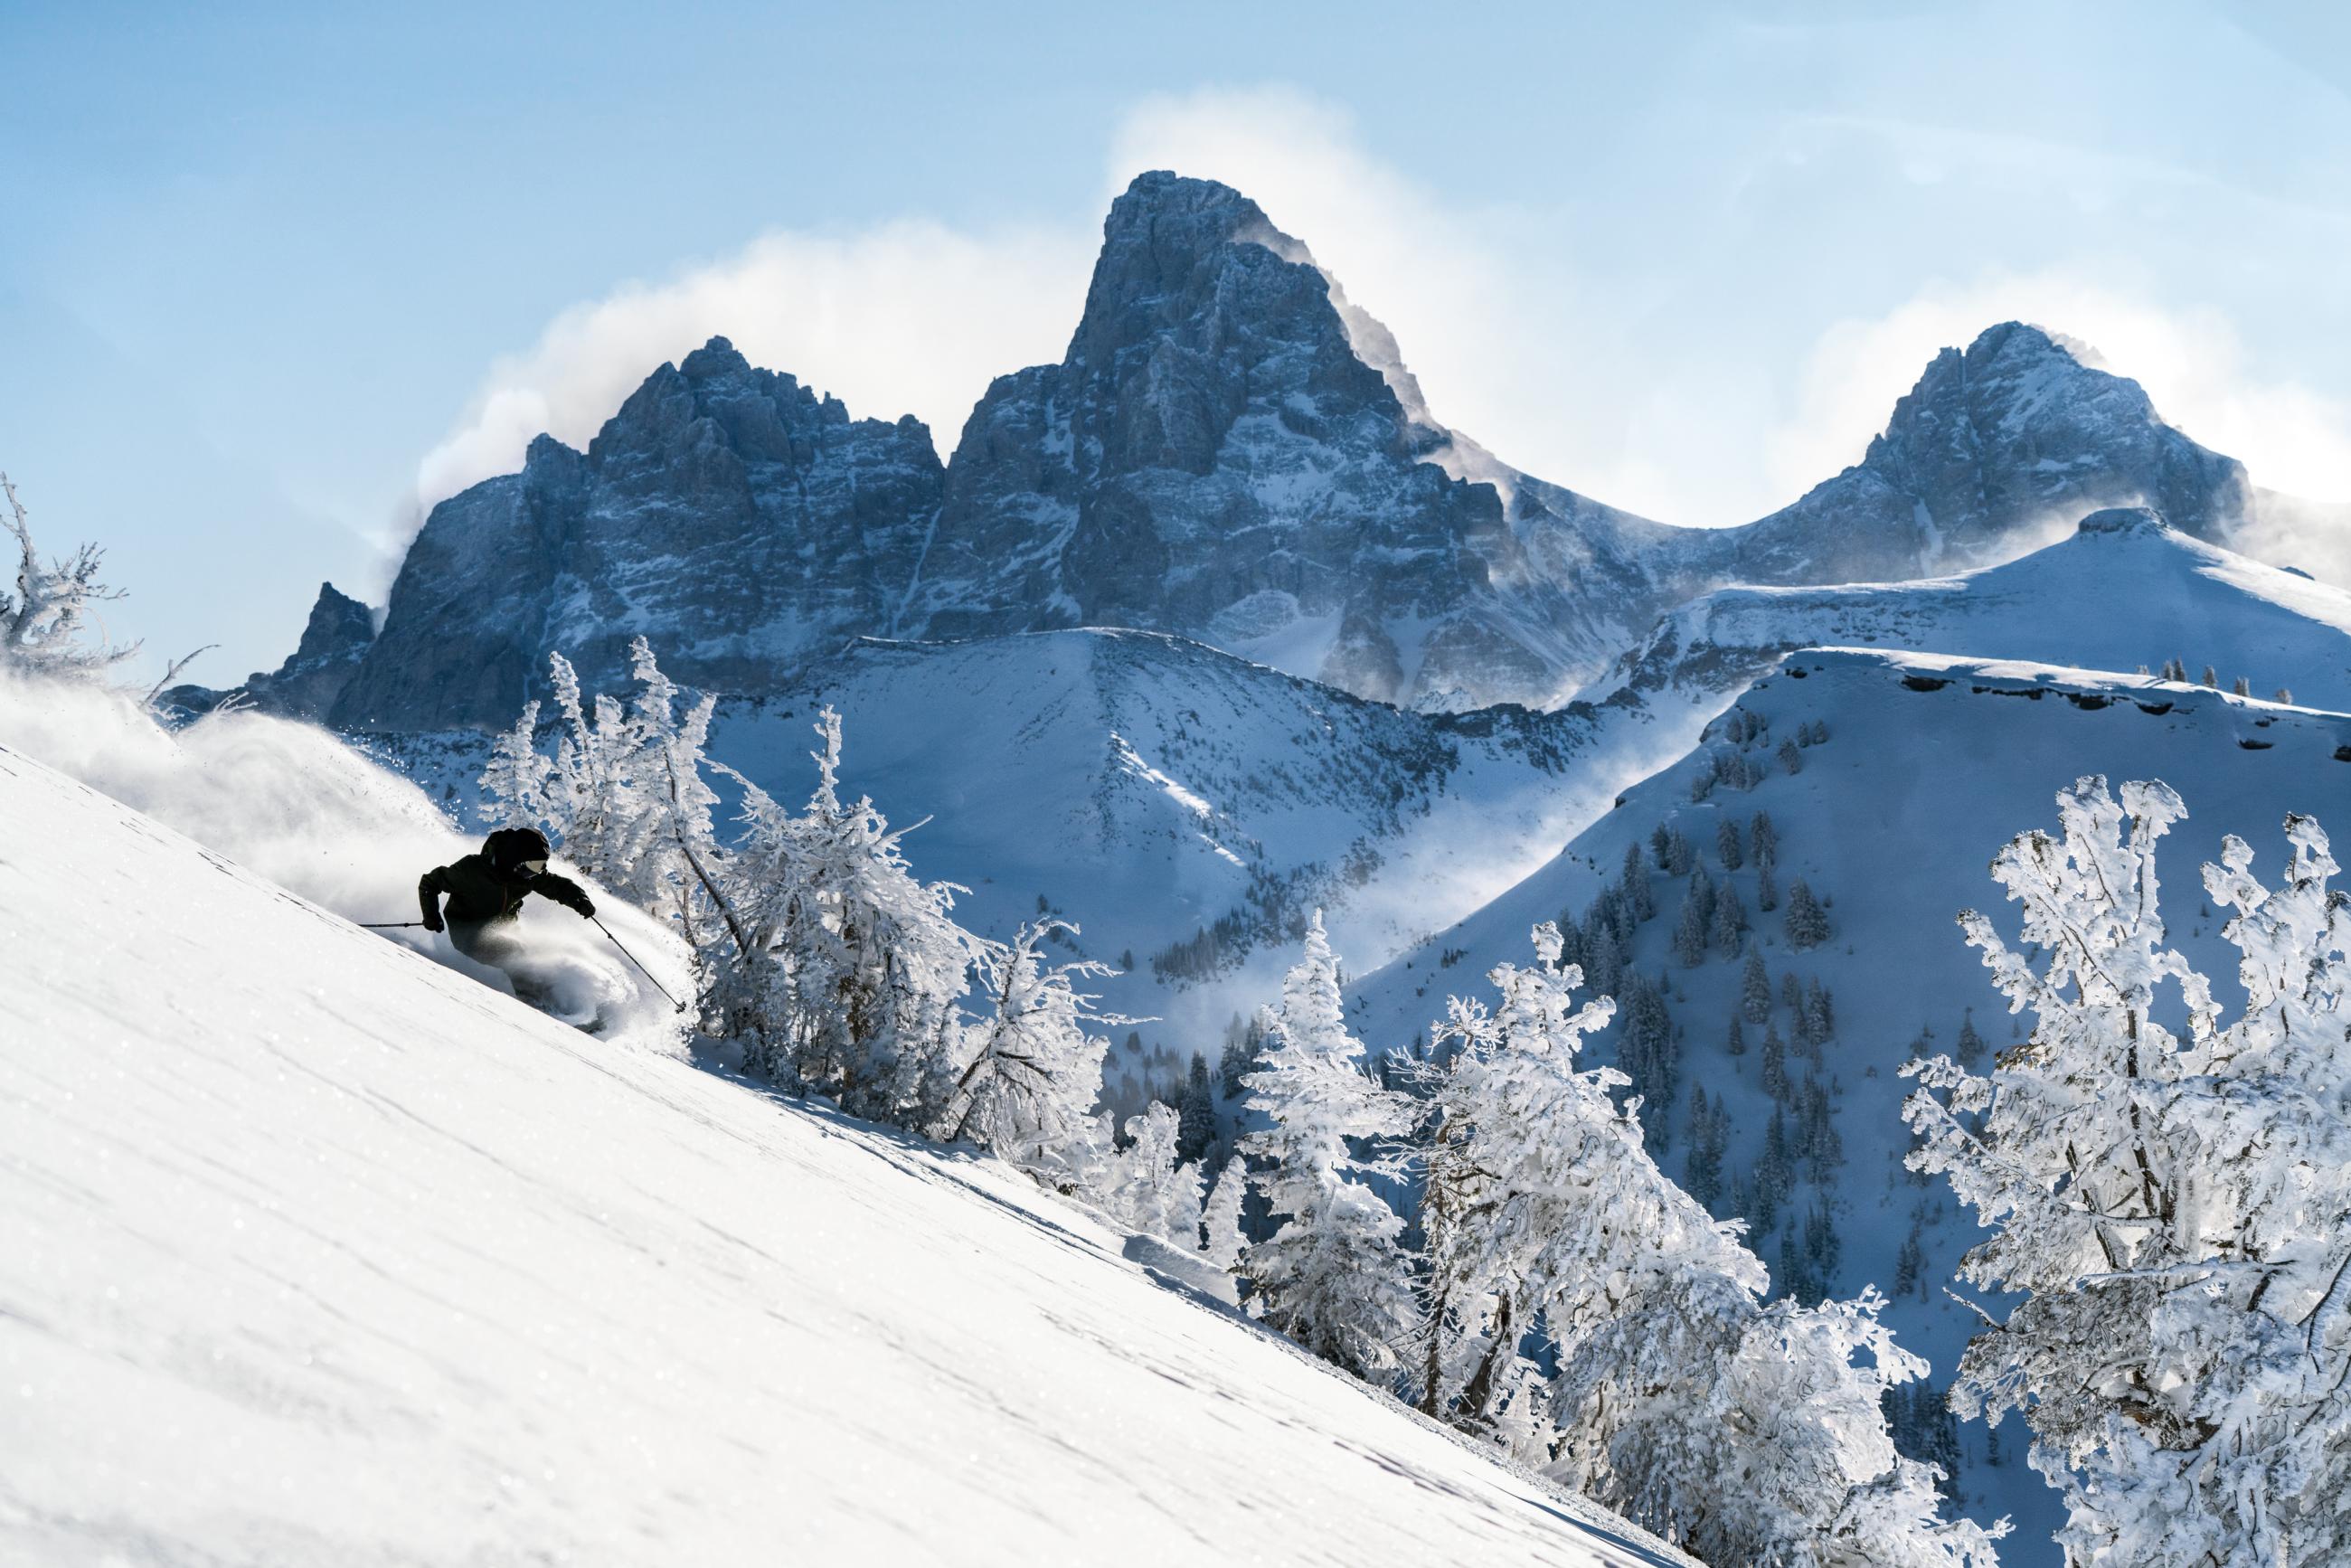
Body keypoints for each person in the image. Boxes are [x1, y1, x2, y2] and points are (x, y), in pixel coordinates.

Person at [419, 827, 596, 1008]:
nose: (537, 871)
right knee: (515, 953)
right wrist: (431, 914)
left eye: (541, 866)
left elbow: (559, 886)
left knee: (541, 954)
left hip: (505, 930)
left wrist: (579, 900)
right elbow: (429, 883)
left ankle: (562, 1001)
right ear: (515, 859)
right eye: (534, 865)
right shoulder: (471, 870)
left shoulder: (526, 875)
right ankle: (534, 1006)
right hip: (468, 933)